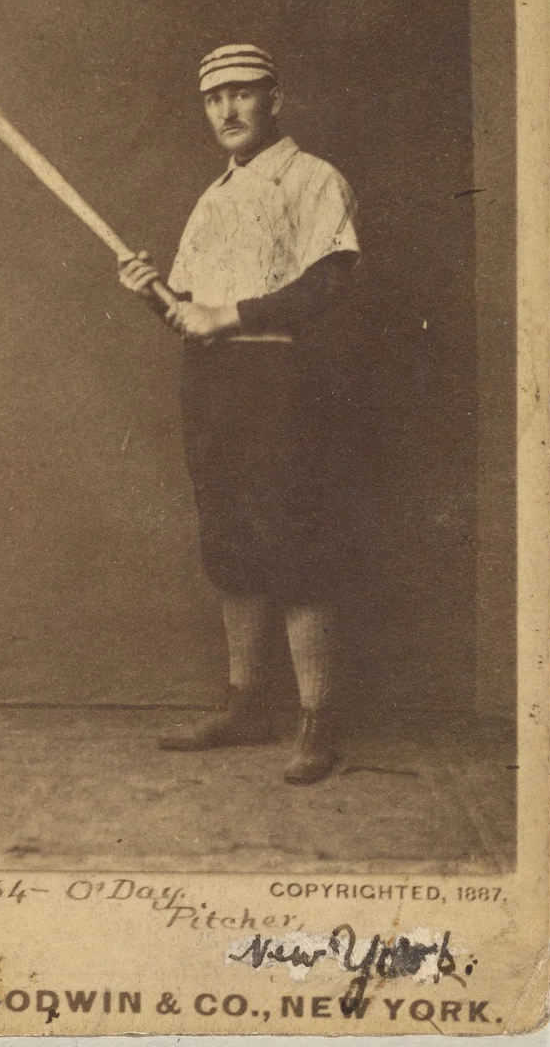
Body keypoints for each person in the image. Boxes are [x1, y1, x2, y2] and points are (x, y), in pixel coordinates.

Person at [119, 43, 361, 784]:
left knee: (291, 541)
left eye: (242, 93)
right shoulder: (213, 196)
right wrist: (153, 294)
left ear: (274, 98)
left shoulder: (313, 178)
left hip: (281, 379)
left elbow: (328, 282)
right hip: (213, 384)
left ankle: (319, 722)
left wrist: (226, 313)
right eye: (213, 97)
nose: (226, 110)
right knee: (228, 538)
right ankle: (247, 705)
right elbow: (192, 317)